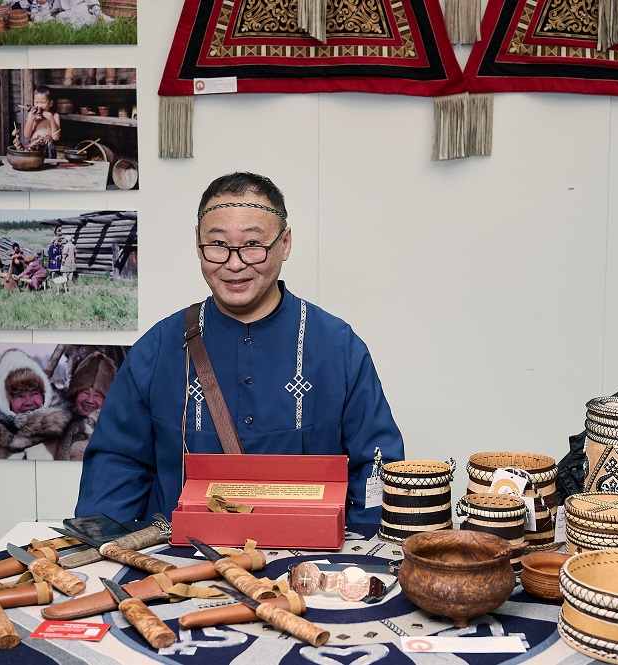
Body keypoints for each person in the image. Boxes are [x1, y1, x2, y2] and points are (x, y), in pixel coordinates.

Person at [76, 172, 405, 523]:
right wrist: (111, 554)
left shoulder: (338, 348)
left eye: (252, 244)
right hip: (182, 566)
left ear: (285, 243)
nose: (234, 264)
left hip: (308, 567)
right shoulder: (157, 349)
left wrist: (352, 564)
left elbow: (376, 468)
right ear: (198, 243)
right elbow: (115, 468)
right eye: (217, 245)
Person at [0, 349, 74, 459]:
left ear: (45, 395)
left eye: (34, 394)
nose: (28, 402)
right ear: (7, 401)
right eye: (20, 396)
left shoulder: (69, 436)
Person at [60, 351, 117, 461]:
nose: (90, 400)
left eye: (97, 395)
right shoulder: (59, 425)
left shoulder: (115, 432)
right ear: (75, 394)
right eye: (85, 392)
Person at [23, 84, 61, 158]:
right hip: (33, 148)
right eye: (36, 102)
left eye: (43, 103)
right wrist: (32, 119)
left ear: (50, 103)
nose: (39, 106)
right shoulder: (31, 115)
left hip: (48, 149)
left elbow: (56, 137)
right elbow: (26, 135)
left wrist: (51, 119)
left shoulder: (54, 116)